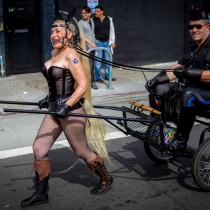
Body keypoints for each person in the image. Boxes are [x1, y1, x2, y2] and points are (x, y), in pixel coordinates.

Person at [20, 8, 113, 208]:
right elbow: (57, 81)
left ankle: (106, 179)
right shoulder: (55, 53)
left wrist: (67, 106)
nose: (53, 35)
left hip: (71, 112)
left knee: (81, 152)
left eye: (58, 31)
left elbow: (82, 85)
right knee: (39, 148)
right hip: (55, 109)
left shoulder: (71, 56)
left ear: (69, 34)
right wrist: (47, 98)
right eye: (52, 31)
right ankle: (41, 193)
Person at [145, 7, 210, 152]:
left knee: (188, 94)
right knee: (160, 88)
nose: (194, 30)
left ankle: (180, 142)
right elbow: (178, 67)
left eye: (198, 26)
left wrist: (188, 73)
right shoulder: (192, 47)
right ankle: (158, 128)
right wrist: (156, 80)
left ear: (208, 27)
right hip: (193, 91)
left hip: (207, 95)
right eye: (191, 27)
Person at [92, 5, 116, 82]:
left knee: (108, 61)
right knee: (97, 61)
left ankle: (108, 76)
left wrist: (112, 41)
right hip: (98, 43)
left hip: (107, 43)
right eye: (95, 11)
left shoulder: (109, 19)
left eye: (97, 11)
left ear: (102, 11)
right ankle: (98, 77)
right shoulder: (93, 20)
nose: (95, 12)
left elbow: (112, 31)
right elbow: (91, 31)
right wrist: (94, 39)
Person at [78, 6, 98, 90]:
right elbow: (82, 35)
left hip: (92, 47)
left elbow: (92, 33)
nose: (83, 15)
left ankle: (92, 81)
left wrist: (94, 41)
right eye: (82, 13)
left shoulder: (92, 21)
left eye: (84, 13)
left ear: (89, 14)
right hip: (86, 47)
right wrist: (90, 43)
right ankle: (86, 82)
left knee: (92, 65)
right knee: (86, 65)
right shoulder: (80, 23)